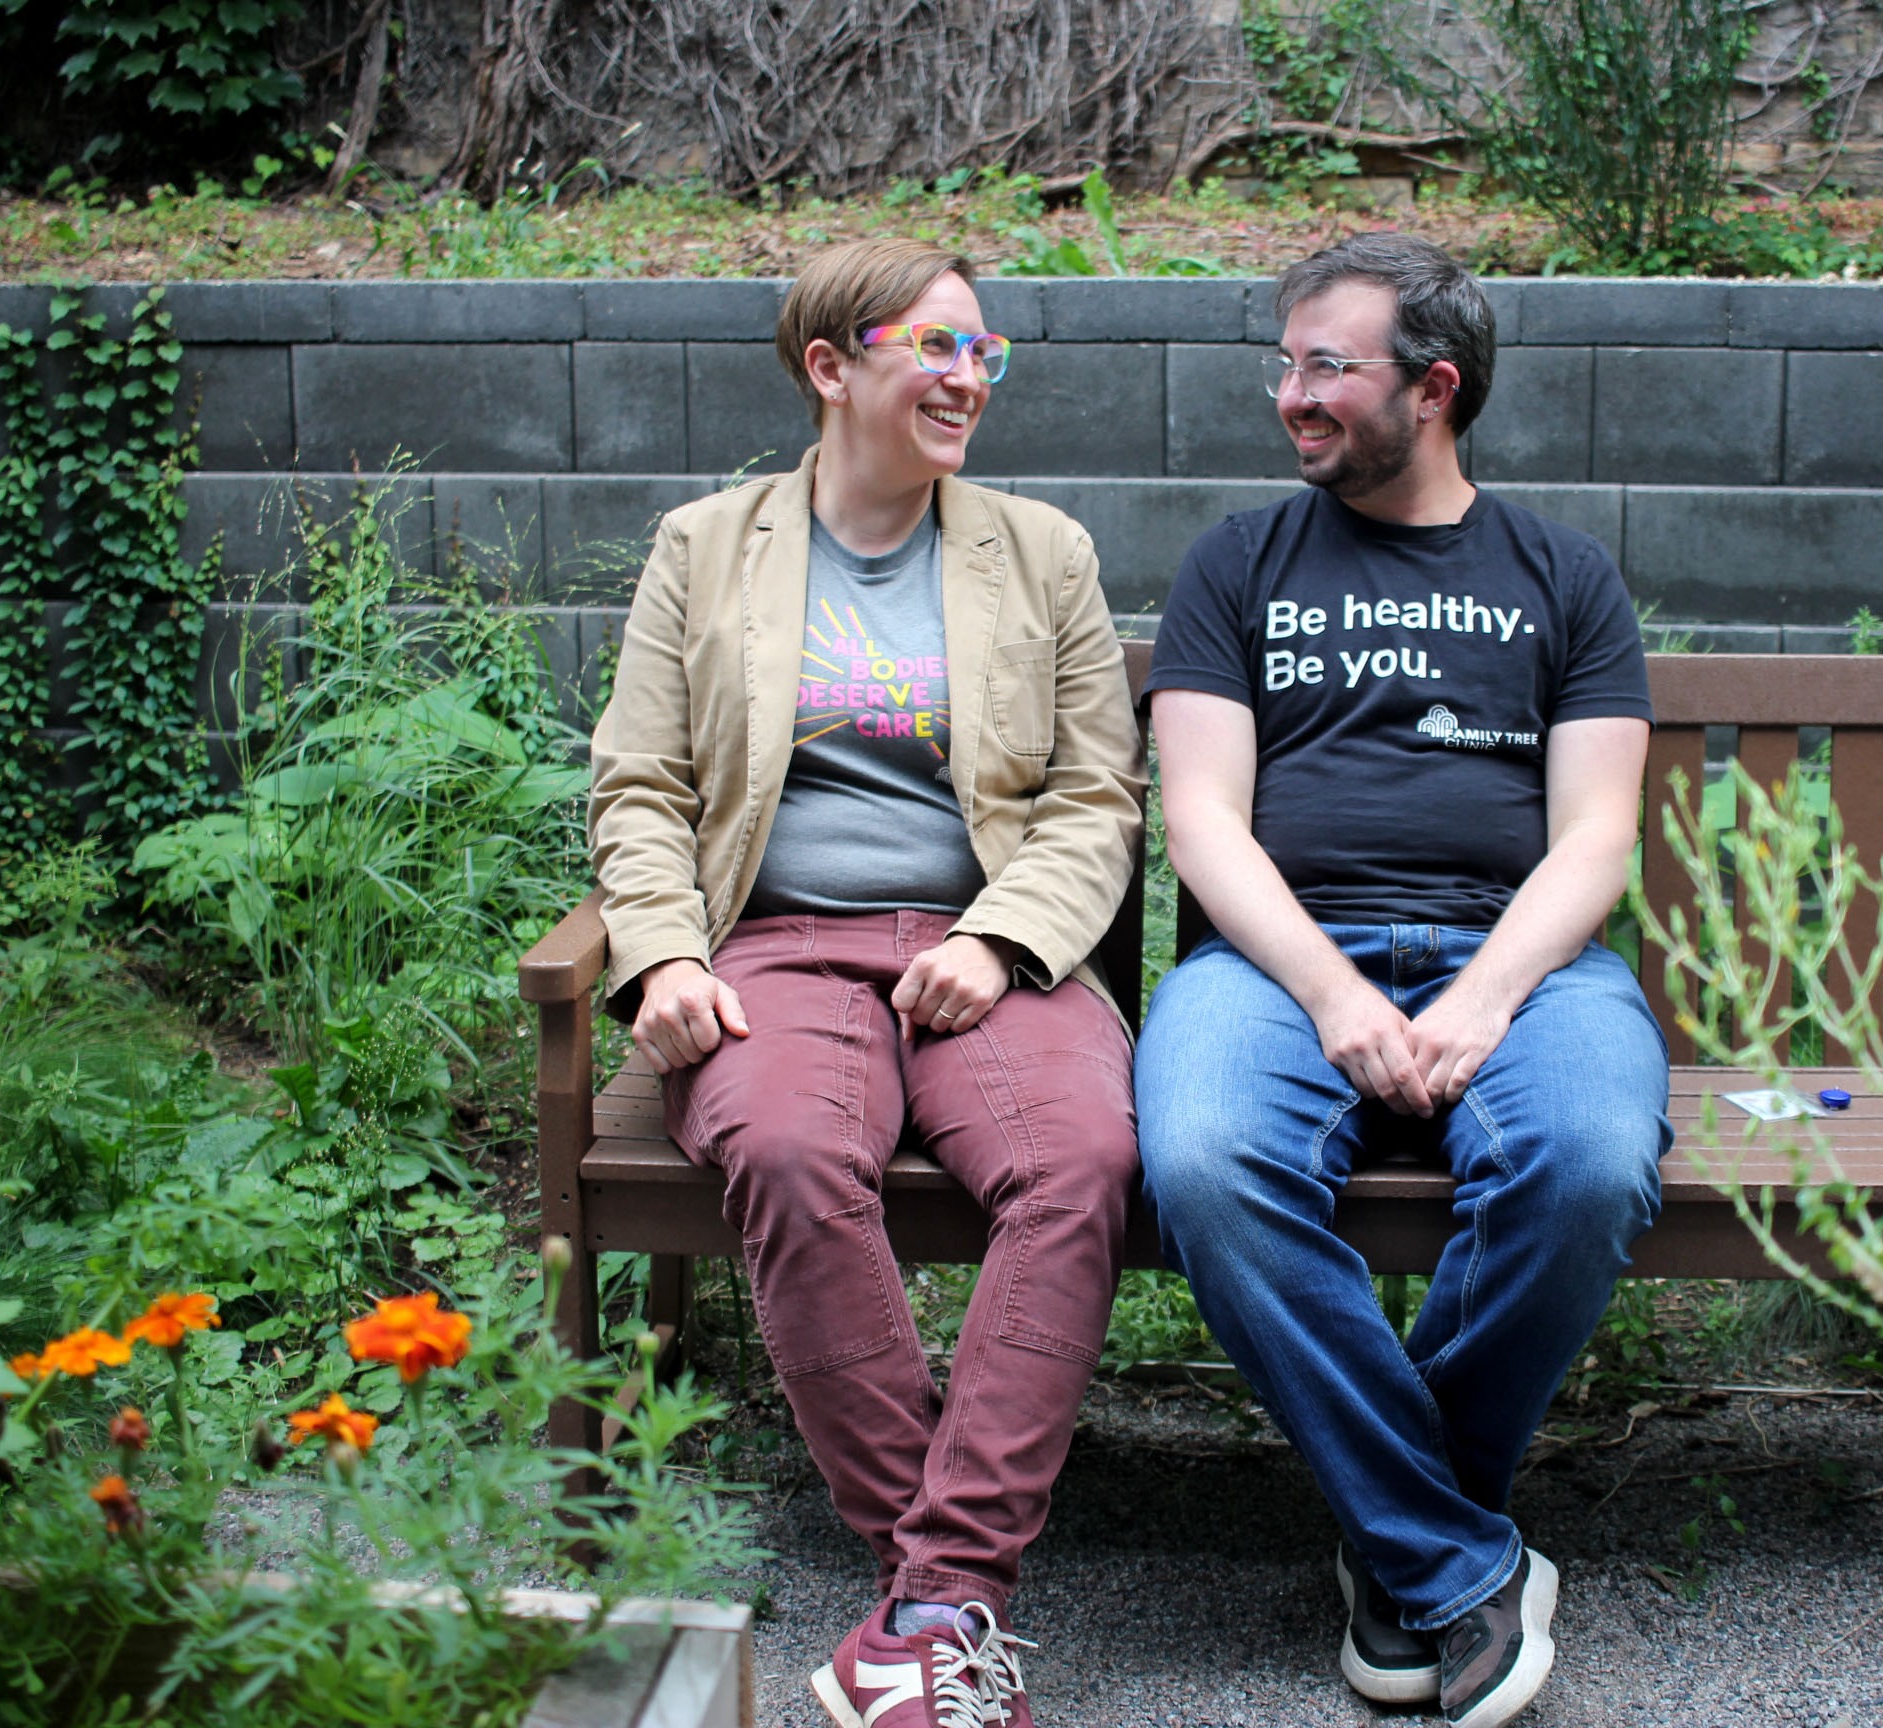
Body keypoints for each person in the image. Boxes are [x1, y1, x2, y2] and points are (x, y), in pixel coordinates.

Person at [588, 236, 1145, 1728]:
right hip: (776, 946)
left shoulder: (1042, 553)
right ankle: (944, 1596)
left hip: (986, 945)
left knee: (1080, 1161)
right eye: (937, 347)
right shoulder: (706, 547)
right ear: (831, 367)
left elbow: (1097, 796)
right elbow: (639, 784)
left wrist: (1001, 939)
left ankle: (928, 1608)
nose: (970, 377)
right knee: (786, 1148)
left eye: (985, 352)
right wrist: (666, 951)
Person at [1135, 232, 1672, 1728]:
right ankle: (1450, 1557)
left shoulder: (1564, 576)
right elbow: (1202, 822)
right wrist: (1333, 995)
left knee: (1588, 1161)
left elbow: (1597, 835)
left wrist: (1484, 998)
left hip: (1523, 963)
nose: (1291, 396)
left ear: (1433, 389)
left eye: (1327, 367)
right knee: (1202, 1159)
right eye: (1284, 365)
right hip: (1276, 961)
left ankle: (1397, 1538)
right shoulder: (1237, 564)